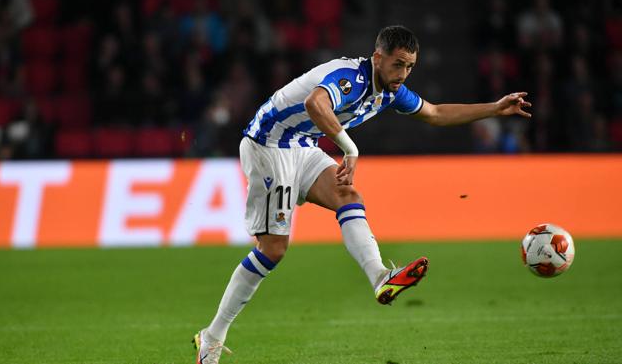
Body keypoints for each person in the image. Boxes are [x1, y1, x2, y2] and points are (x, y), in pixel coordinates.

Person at [192, 25, 532, 364]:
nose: (403, 73)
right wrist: (350, 149)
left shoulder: (391, 91)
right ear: (377, 57)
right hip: (269, 142)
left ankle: (381, 278)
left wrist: (494, 107)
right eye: (398, 64)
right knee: (273, 250)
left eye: (410, 66)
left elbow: (436, 113)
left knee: (348, 196)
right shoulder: (351, 77)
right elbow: (315, 103)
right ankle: (212, 337)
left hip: (300, 145)